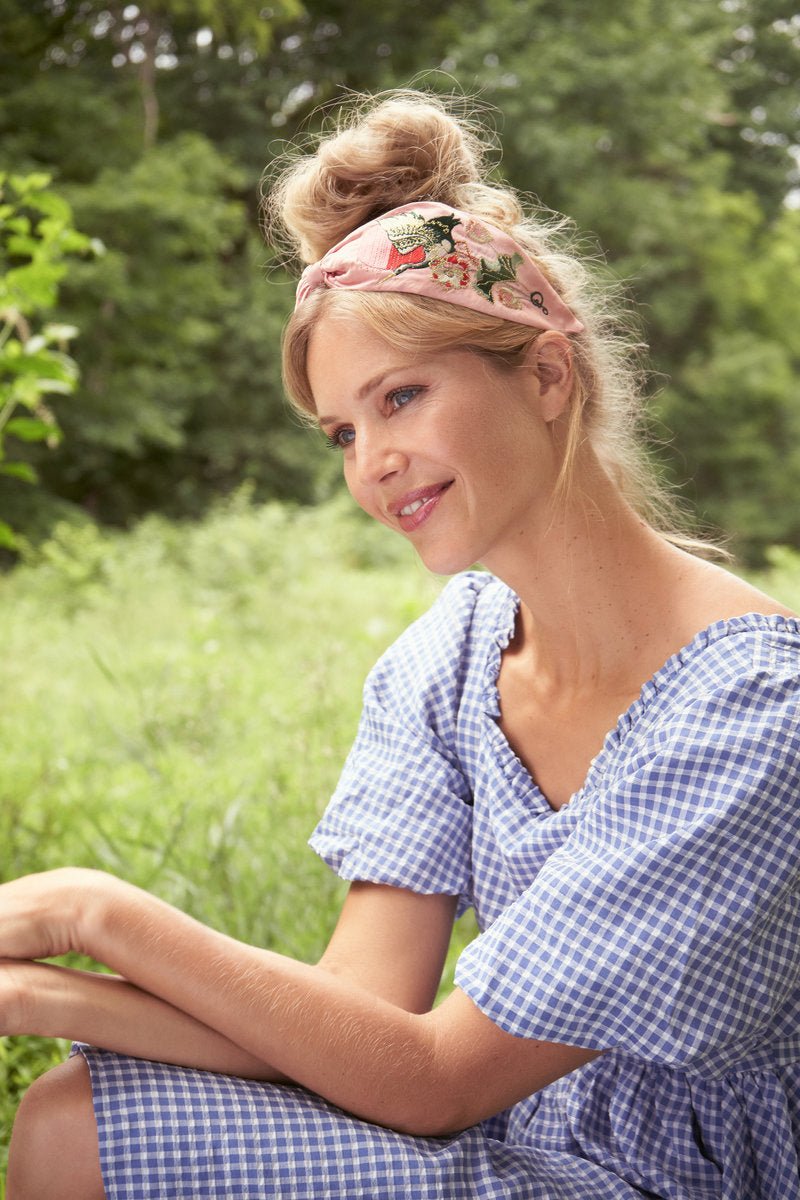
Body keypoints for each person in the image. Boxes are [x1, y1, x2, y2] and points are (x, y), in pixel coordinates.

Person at [4, 90, 800, 1200]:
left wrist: (91, 912)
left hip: (681, 1183)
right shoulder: (454, 660)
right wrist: (40, 996)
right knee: (72, 1113)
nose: (369, 463)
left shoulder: (754, 714)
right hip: (525, 1151)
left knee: (76, 1133)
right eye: (342, 430)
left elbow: (433, 1078)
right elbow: (366, 1013)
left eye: (402, 397)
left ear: (545, 375)